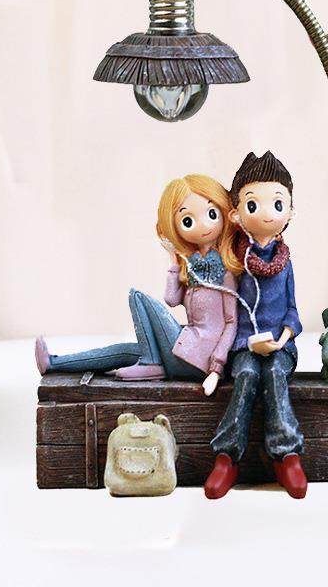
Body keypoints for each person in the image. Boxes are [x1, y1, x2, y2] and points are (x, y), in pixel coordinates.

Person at [34, 174, 242, 396]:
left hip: (199, 360)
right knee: (123, 351)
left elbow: (231, 323)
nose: (204, 225)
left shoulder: (225, 273)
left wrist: (216, 368)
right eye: (188, 221)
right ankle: (53, 363)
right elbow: (172, 300)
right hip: (185, 346)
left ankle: (151, 362)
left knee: (138, 297)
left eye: (211, 214)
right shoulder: (192, 268)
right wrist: (174, 262)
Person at [204, 151, 308, 499]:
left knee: (275, 372)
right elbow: (228, 311)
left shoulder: (285, 263)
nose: (266, 213)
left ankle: (286, 455)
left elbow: (292, 311)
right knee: (247, 374)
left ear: (291, 211)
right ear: (235, 214)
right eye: (253, 204)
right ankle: (226, 457)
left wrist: (283, 338)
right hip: (243, 345)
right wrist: (248, 343)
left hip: (280, 346)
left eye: (278, 204)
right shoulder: (235, 260)